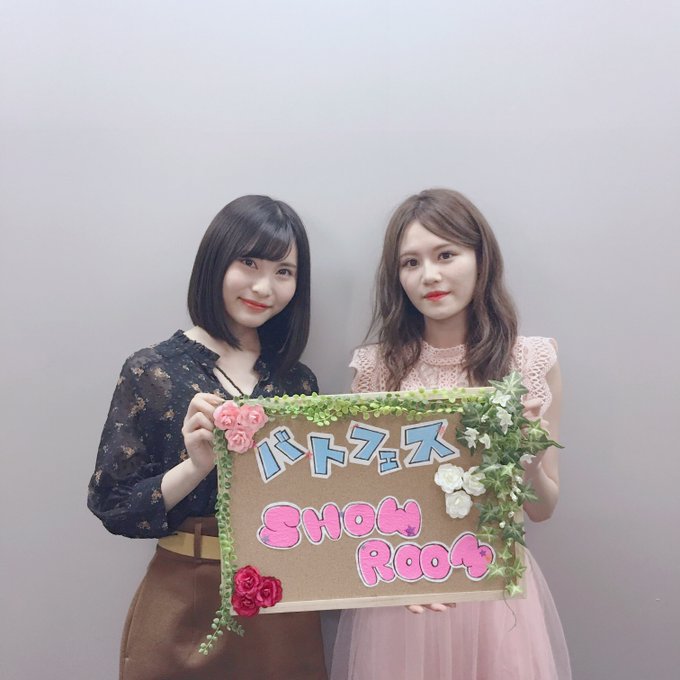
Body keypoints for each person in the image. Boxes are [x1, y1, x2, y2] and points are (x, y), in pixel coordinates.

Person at [330, 189, 571, 680]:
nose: (430, 275)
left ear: (481, 259)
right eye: (411, 262)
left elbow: (543, 509)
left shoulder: (530, 361)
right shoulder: (375, 369)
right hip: (405, 595)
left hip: (495, 592)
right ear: (397, 277)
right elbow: (364, 501)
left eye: (446, 255)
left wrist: (527, 456)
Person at [88, 195, 327, 680]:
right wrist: (195, 466)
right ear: (216, 261)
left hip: (281, 595)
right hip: (182, 594)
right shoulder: (153, 370)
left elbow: (317, 499)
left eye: (284, 271)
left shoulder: (297, 381)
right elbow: (112, 504)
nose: (264, 286)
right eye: (249, 262)